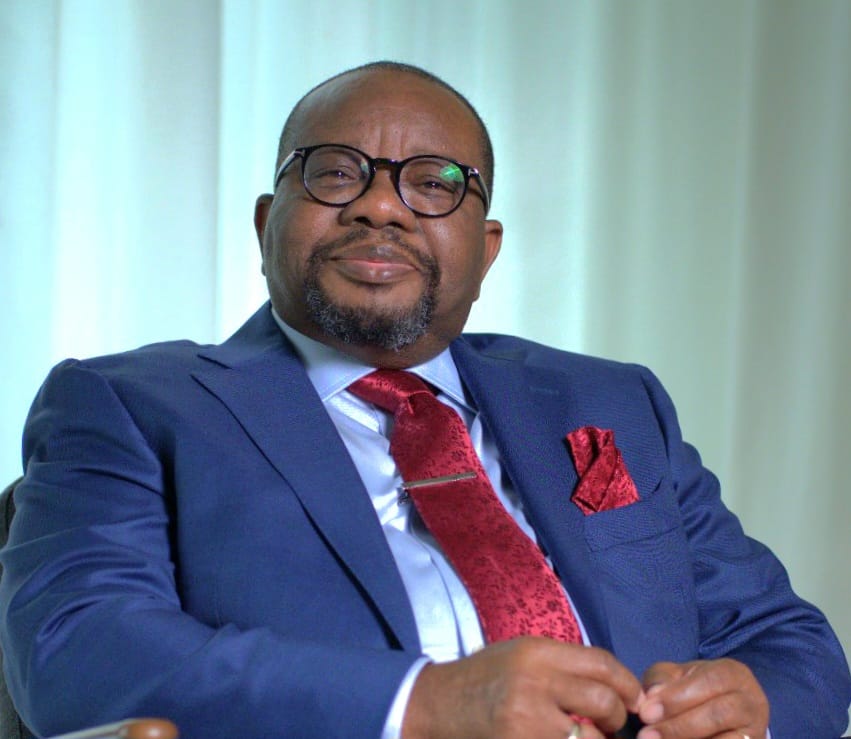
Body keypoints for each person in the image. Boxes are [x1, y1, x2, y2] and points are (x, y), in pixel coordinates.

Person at [0, 61, 849, 739]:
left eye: (436, 183)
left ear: (486, 249)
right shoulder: (131, 405)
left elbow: (792, 645)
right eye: (335, 173)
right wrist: (425, 703)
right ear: (266, 223)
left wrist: (751, 703)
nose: (380, 206)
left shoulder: (611, 400)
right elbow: (77, 651)